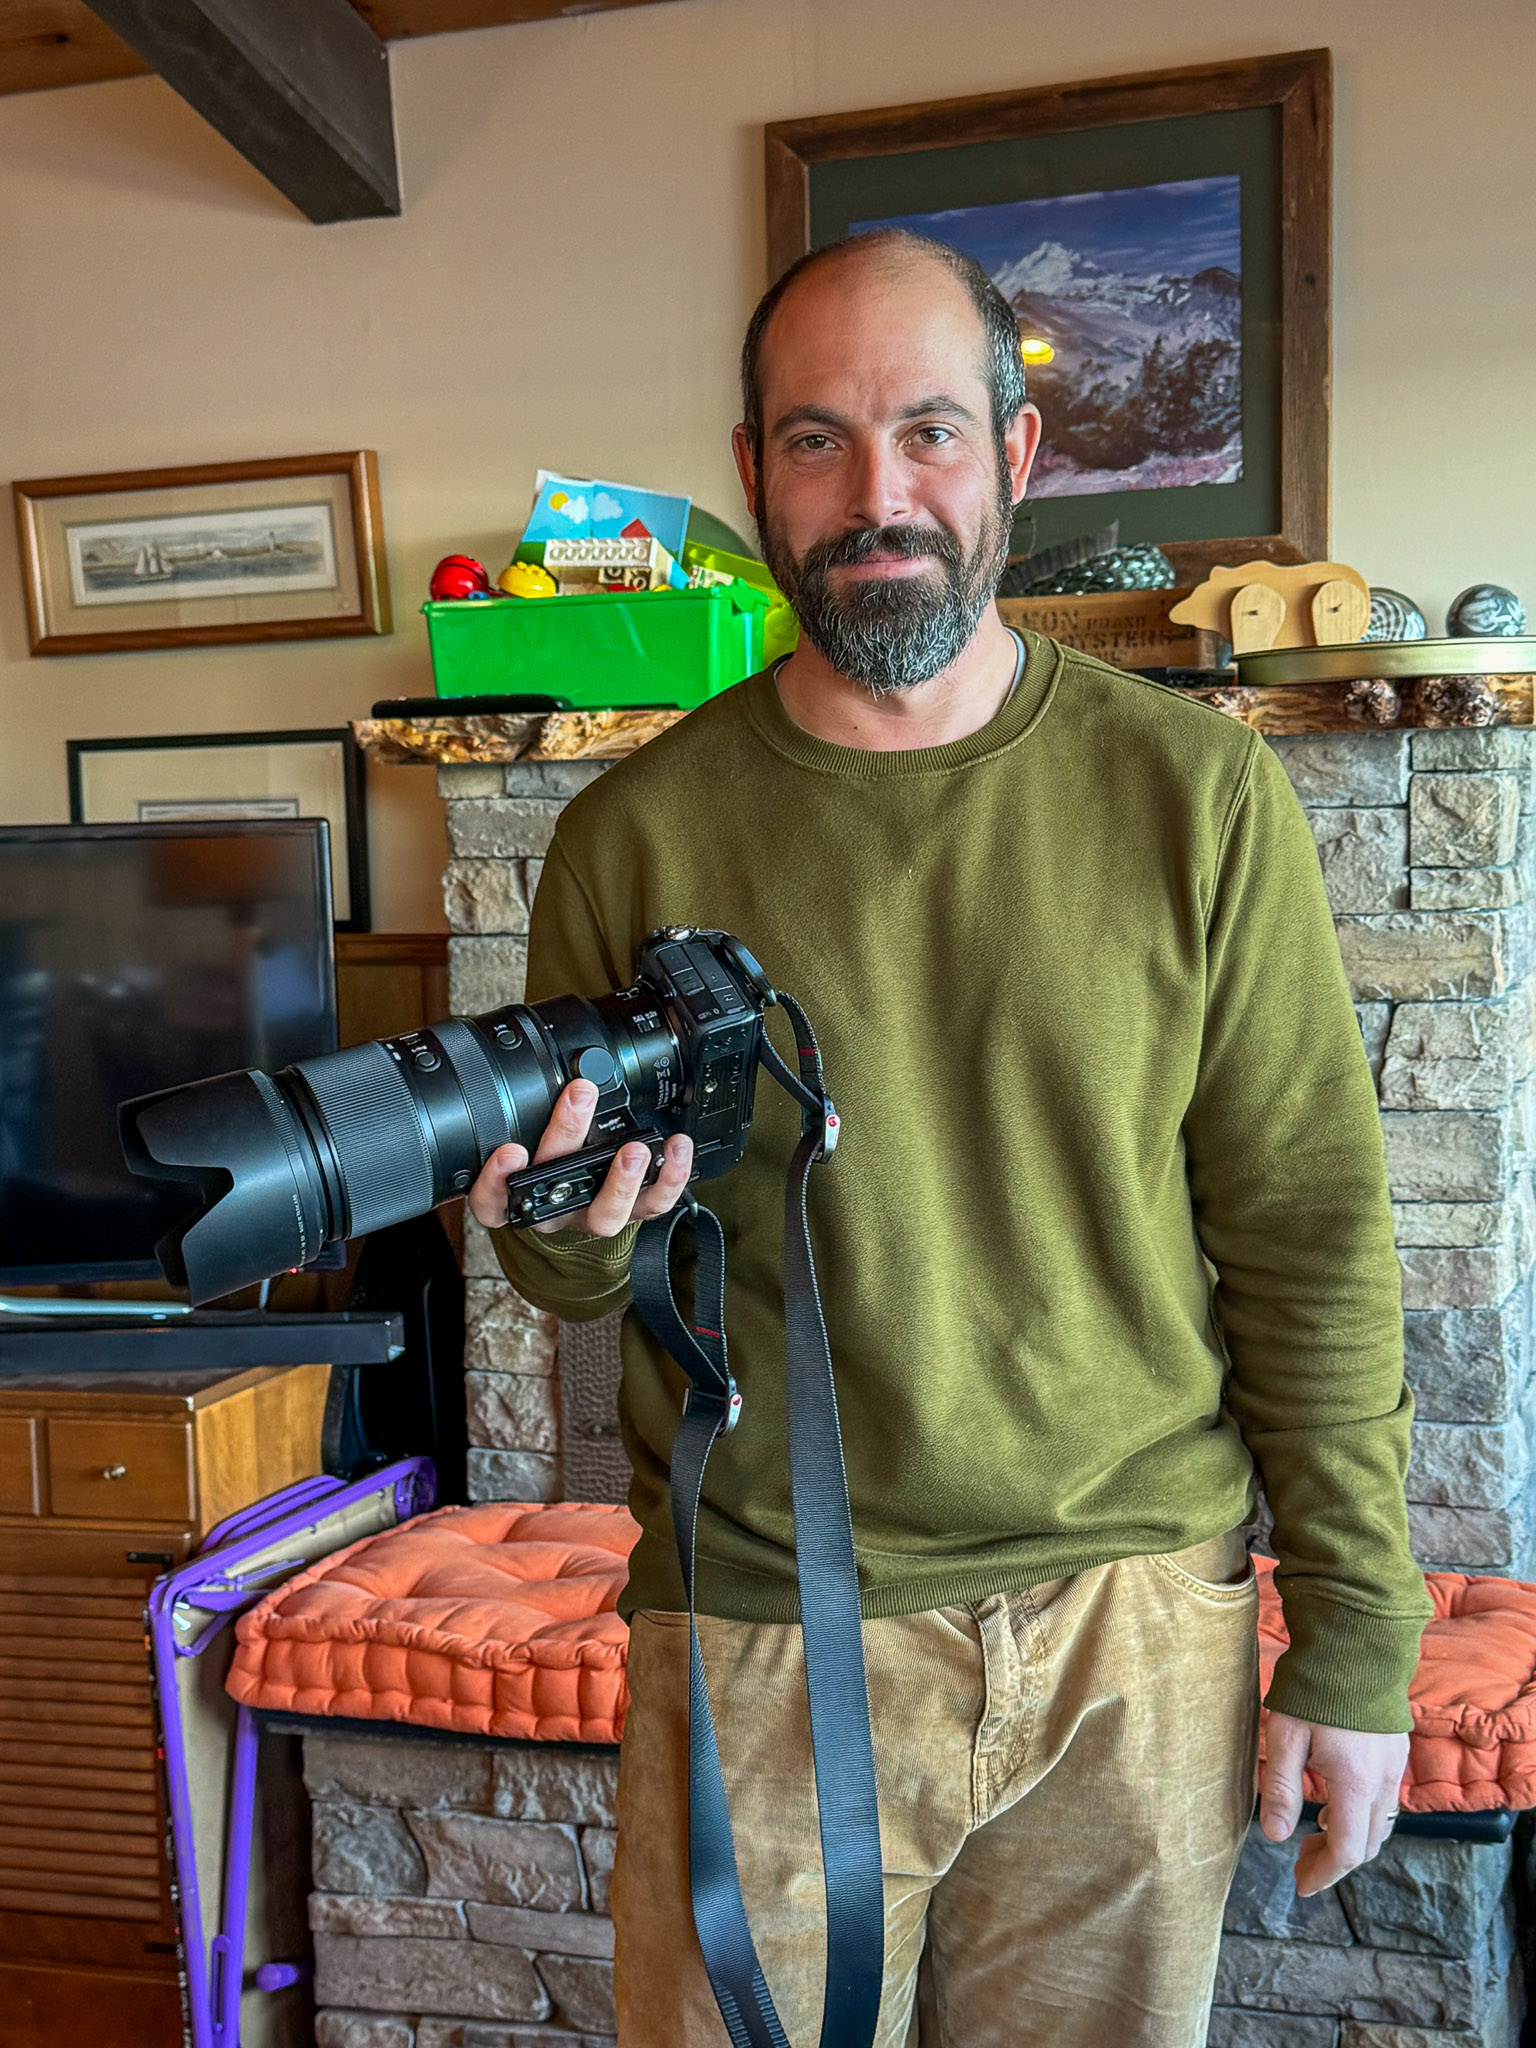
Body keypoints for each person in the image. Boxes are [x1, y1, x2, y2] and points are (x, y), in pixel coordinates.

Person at [467, 229, 1432, 2047]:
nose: (876, 492)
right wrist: (569, 1228)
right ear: (751, 476)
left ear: (1014, 454)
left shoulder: (1196, 795)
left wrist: (1361, 1638)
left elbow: (1307, 1231)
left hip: (1138, 1628)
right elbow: (575, 1262)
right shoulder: (628, 839)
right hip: (762, 1634)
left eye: (926, 431)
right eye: (817, 441)